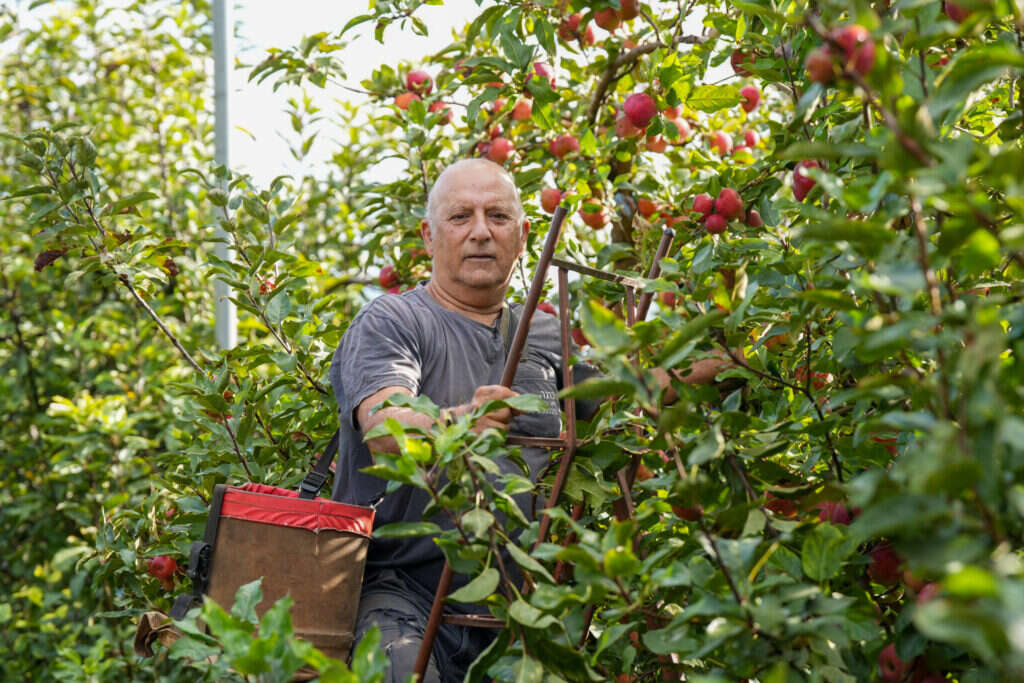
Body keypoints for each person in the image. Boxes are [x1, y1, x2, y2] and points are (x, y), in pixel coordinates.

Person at [329, 158, 728, 682]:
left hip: (521, 609)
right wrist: (459, 423)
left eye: (497, 216)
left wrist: (727, 362)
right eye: (460, 217)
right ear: (428, 236)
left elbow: (624, 393)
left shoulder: (543, 331)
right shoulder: (395, 320)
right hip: (402, 594)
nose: (480, 232)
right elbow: (384, 426)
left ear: (522, 236)